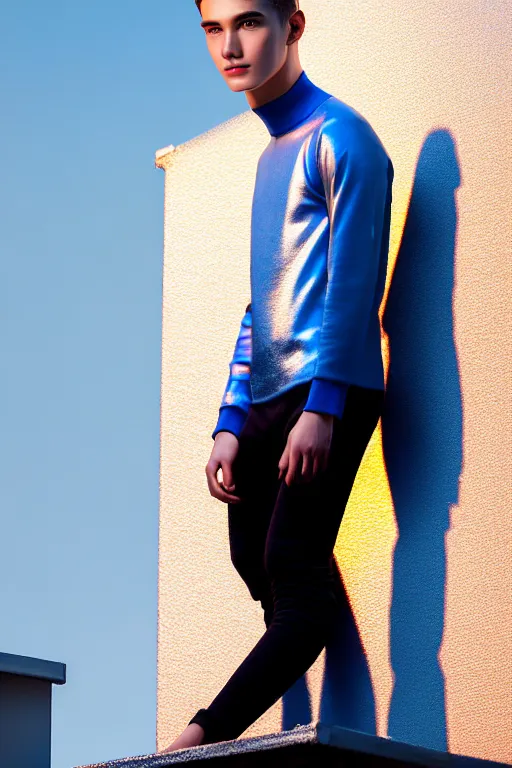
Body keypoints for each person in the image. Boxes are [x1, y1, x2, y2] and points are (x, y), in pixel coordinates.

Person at [160, 0, 394, 753]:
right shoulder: (268, 153)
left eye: (250, 23)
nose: (231, 45)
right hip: (266, 390)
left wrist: (323, 408)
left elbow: (359, 286)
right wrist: (230, 420)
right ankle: (289, 697)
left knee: (292, 576)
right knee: (251, 558)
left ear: (294, 24)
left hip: (330, 386)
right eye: (212, 28)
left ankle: (202, 735)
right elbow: (263, 300)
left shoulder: (344, 138)